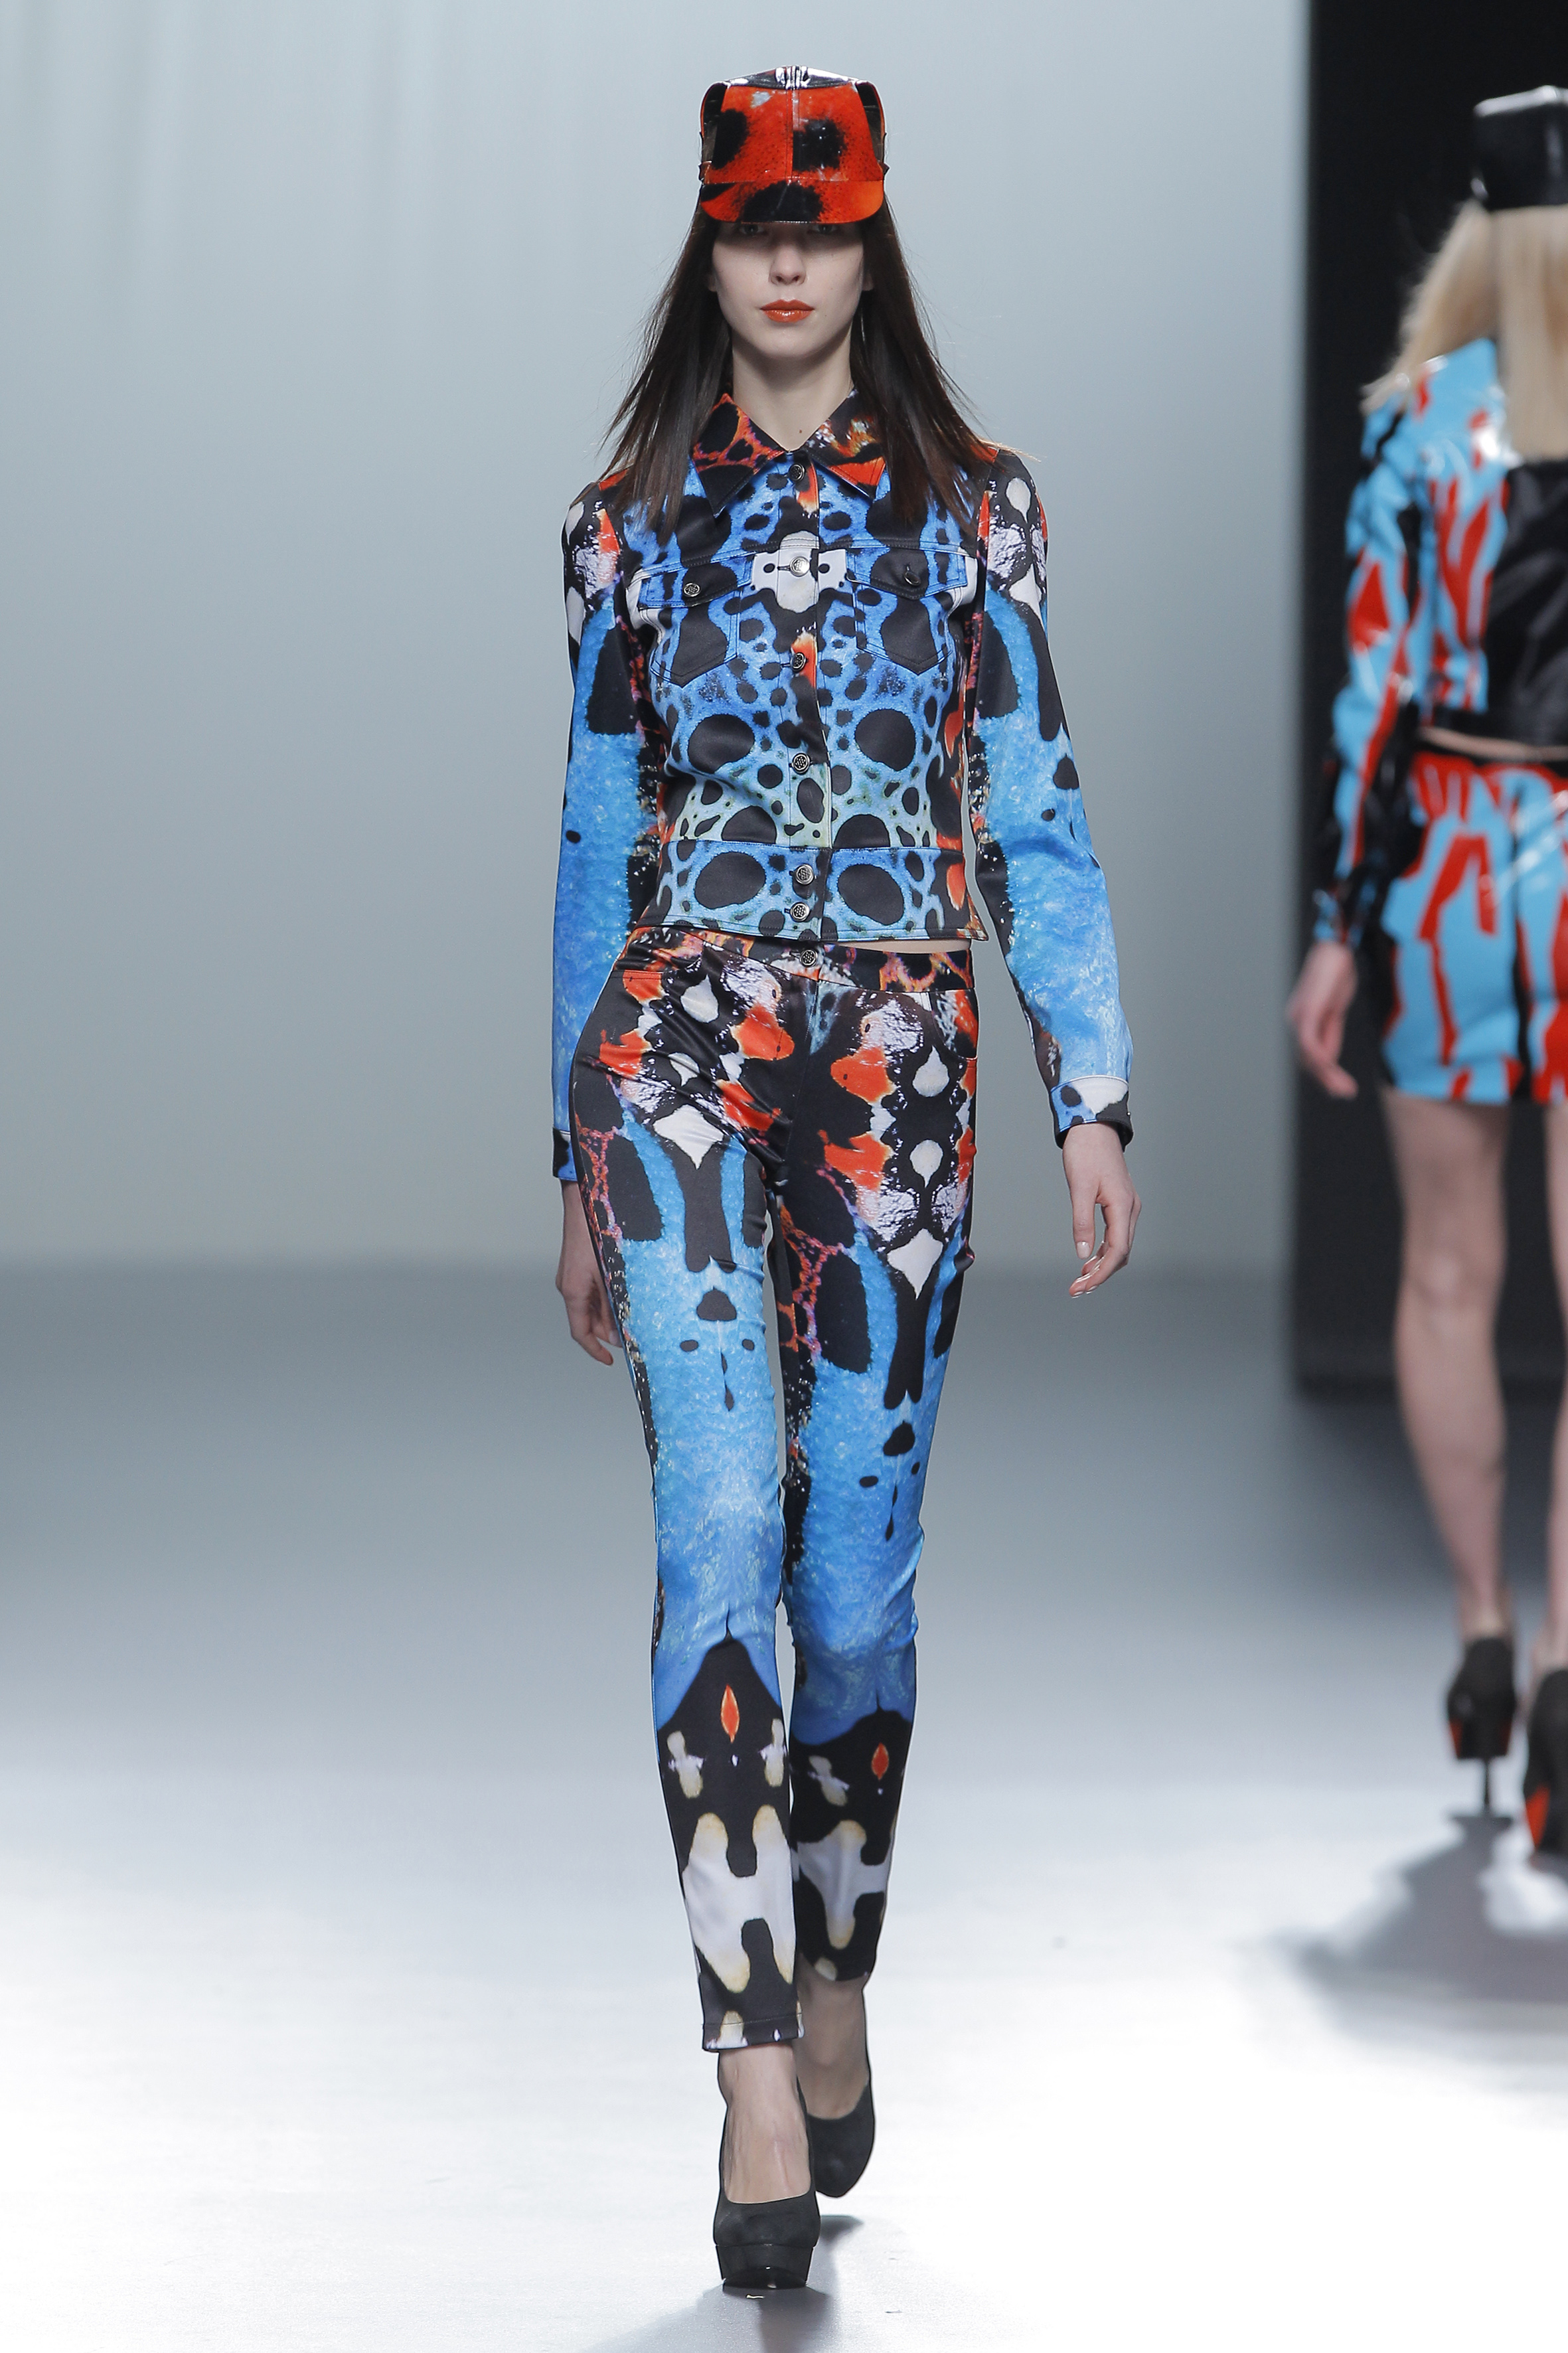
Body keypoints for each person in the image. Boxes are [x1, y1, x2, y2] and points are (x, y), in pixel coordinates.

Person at [551, 67, 1137, 2289]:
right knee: (715, 1525)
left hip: (900, 1071)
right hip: (680, 1062)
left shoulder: (979, 510)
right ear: (706, 248)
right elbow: (594, 837)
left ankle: (834, 1963)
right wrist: (567, 1153)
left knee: (855, 1580)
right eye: (748, 226)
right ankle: (746, 2079)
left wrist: (1093, 1089)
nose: (784, 260)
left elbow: (1035, 804)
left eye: (820, 224)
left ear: (873, 243)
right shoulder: (622, 523)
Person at [1289, 87, 1568, 1846]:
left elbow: (1374, 696)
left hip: (1456, 870)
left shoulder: (1421, 420)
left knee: (1449, 1275)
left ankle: (1480, 1635)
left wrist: (1337, 928)